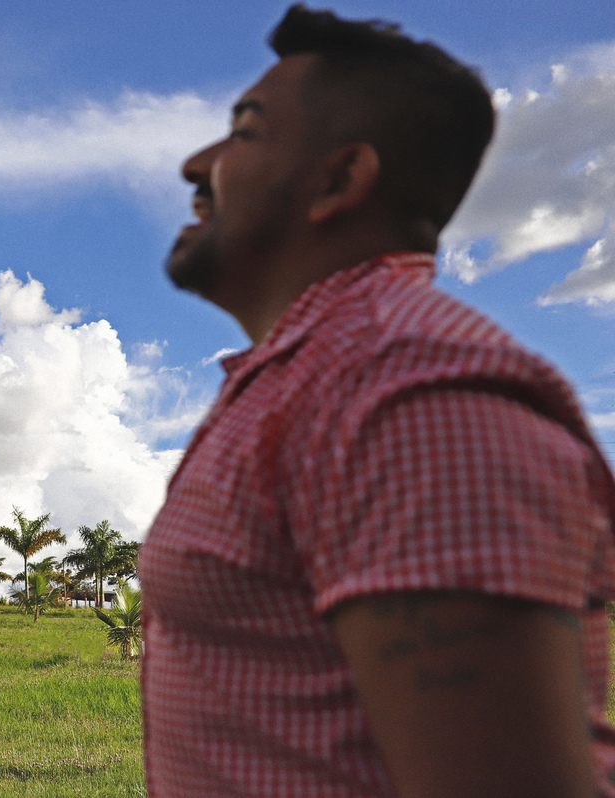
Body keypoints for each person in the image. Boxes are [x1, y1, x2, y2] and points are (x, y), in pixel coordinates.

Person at [138, 5, 615, 797]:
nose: (196, 162)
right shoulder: (307, 378)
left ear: (339, 181)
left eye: (245, 132)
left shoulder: (407, 394)